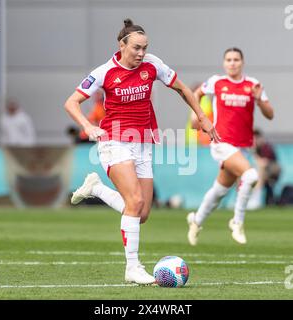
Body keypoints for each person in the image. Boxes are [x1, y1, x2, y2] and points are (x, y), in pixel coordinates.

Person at [64, 18, 218, 285]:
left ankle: (97, 188)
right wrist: (88, 126)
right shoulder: (104, 72)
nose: (141, 53)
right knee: (134, 203)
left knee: (142, 212)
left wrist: (202, 117)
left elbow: (182, 88)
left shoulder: (153, 65)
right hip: (114, 142)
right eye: (136, 48)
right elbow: (71, 102)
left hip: (143, 143)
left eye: (145, 48)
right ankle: (132, 267)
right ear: (121, 44)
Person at [187, 47, 274, 245]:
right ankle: (237, 221)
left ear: (242, 62)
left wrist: (259, 99)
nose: (232, 63)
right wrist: (196, 114)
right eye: (228, 59)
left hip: (242, 147)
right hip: (221, 142)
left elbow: (270, 114)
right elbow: (196, 93)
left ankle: (196, 221)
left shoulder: (253, 85)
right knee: (251, 176)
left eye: (236, 59)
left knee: (219, 190)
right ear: (224, 63)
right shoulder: (217, 82)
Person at [253, 129, 281, 205]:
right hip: (261, 172)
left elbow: (264, 163)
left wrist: (254, 153)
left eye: (256, 138)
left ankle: (256, 199)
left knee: (261, 170)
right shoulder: (255, 148)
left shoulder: (266, 147)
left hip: (272, 170)